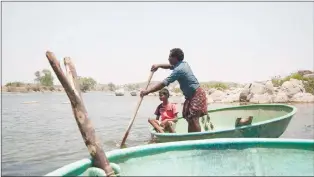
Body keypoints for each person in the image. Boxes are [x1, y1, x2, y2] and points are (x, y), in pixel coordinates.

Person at [140, 48, 209, 132]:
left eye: (170, 57)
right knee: (189, 118)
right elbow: (169, 66)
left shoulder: (179, 70)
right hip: (190, 96)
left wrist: (147, 91)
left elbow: (163, 83)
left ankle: (197, 140)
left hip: (196, 94)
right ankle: (191, 138)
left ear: (175, 58)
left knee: (194, 119)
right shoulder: (183, 64)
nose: (168, 58)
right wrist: (158, 65)